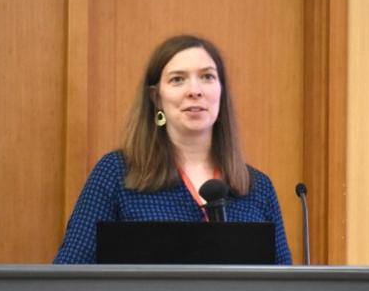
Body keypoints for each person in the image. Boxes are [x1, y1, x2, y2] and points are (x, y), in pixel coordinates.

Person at [54, 34, 292, 265]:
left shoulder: (258, 188)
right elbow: (69, 273)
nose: (195, 91)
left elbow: (284, 286)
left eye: (207, 77)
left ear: (221, 91)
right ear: (156, 98)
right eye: (178, 79)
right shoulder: (116, 173)